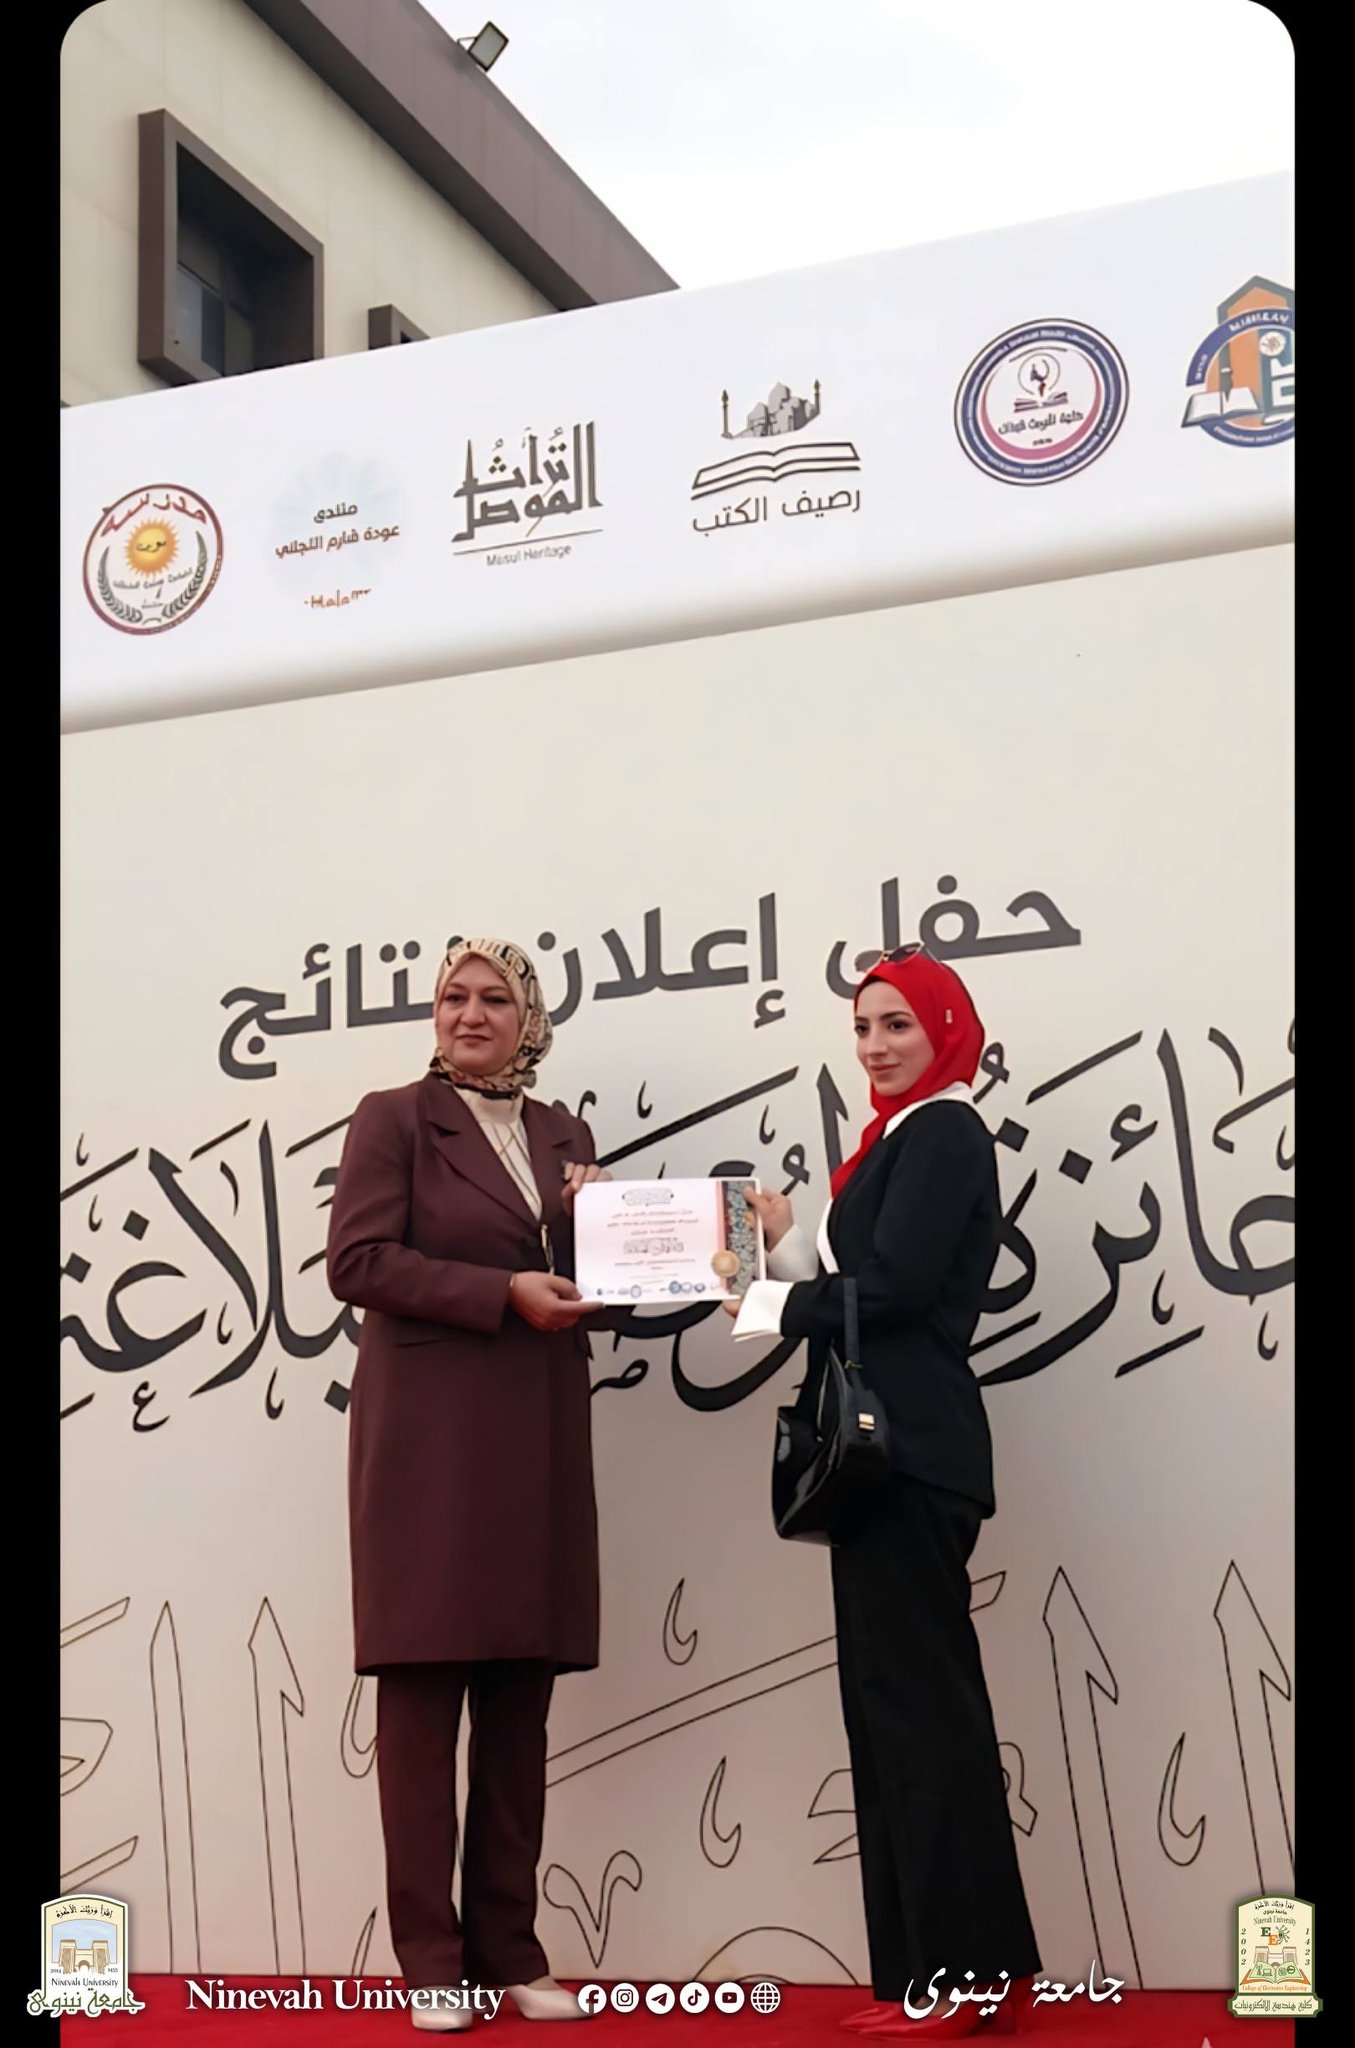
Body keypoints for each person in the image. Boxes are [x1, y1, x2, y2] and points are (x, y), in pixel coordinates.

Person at [730, 948, 1041, 2038]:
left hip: (910, 1456)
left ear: (946, 1030)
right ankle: (934, 1972)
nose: (874, 1044)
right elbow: (846, 1278)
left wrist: (767, 1303)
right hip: (881, 1463)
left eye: (898, 1023)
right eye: (862, 1025)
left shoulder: (945, 1130)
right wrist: (775, 1242)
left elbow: (897, 1289)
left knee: (919, 1714)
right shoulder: (891, 1139)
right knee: (889, 1713)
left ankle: (965, 1975)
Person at [327, 937, 619, 2033]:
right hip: (429, 1454)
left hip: (535, 1442)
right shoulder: (394, 1119)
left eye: (496, 997)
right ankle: (431, 1962)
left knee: (516, 1703)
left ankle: (510, 1951)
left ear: (529, 1018)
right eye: (454, 995)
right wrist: (502, 1291)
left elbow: (591, 1285)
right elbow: (357, 1262)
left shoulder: (564, 1134)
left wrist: (604, 1232)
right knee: (419, 1708)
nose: (471, 1013)